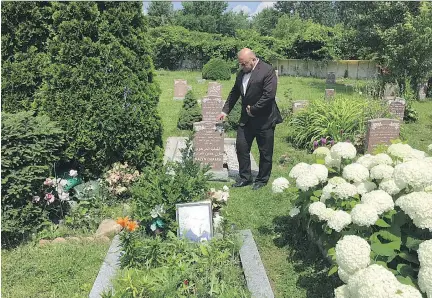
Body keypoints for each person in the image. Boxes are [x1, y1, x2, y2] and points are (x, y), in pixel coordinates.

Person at [217, 48, 282, 190]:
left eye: (244, 64)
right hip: (246, 119)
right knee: (241, 147)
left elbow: (269, 95)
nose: (241, 66)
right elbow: (234, 92)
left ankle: (262, 180)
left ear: (253, 60)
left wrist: (254, 109)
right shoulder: (242, 73)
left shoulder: (267, 70)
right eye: (240, 64)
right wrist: (225, 110)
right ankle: (245, 177)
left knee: (265, 151)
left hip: (265, 118)